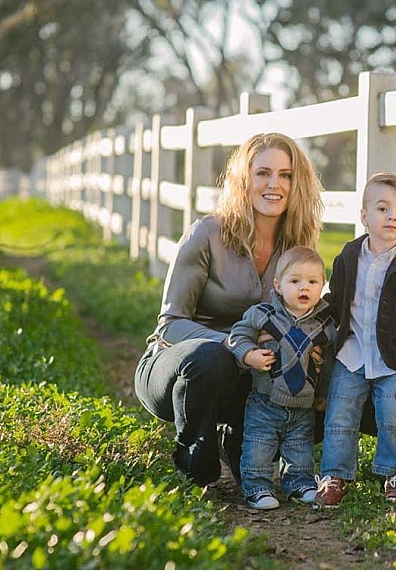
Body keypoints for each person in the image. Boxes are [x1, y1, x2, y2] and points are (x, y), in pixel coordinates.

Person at [134, 132, 324, 488]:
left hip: (252, 382)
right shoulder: (206, 233)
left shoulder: (298, 245)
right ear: (244, 179)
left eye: (285, 175)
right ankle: (195, 445)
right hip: (181, 367)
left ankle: (240, 438)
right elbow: (170, 325)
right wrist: (238, 346)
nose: (275, 184)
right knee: (212, 358)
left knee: (324, 375)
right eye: (263, 173)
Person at [315, 172, 396, 508]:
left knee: (394, 415)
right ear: (364, 216)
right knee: (340, 414)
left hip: (394, 358)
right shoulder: (348, 256)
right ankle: (335, 473)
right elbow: (336, 301)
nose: (392, 217)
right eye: (382, 208)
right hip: (351, 353)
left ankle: (395, 473)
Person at [226, 246, 337, 510]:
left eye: (313, 281)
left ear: (323, 285)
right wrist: (249, 354)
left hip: (304, 403)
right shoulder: (264, 315)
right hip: (266, 401)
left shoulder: (324, 326)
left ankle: (299, 483)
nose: (304, 288)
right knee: (259, 445)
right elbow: (237, 336)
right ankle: (257, 486)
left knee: (300, 446)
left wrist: (323, 394)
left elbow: (330, 363)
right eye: (295, 281)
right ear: (278, 284)